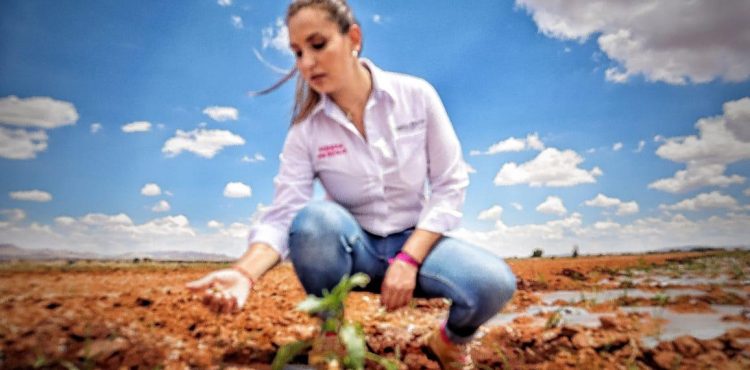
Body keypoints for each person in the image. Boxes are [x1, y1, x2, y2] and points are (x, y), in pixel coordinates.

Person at [186, 0, 517, 368]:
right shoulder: (306, 132)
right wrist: (243, 272)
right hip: (353, 248)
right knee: (314, 220)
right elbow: (283, 216)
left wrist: (409, 258)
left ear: (353, 37)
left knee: (493, 283)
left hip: (414, 244)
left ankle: (448, 342)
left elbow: (449, 183)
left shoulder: (416, 96)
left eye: (318, 44)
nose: (307, 62)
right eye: (297, 52)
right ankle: (331, 332)